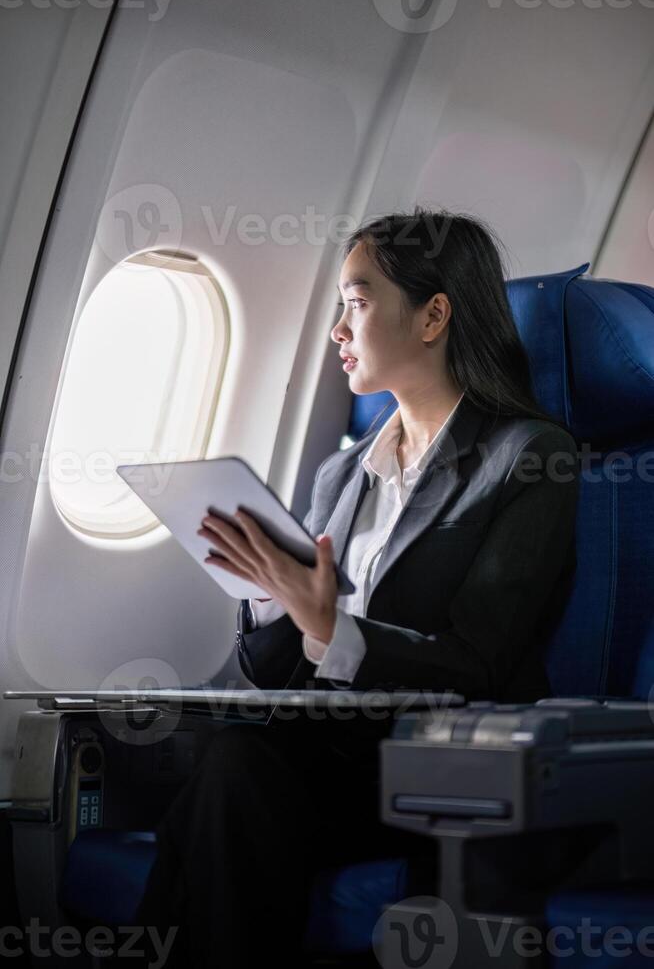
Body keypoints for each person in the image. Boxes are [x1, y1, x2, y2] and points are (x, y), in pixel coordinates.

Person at [134, 207, 579, 967]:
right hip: (329, 758)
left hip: (440, 770)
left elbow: (480, 662)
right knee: (221, 763)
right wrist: (270, 597)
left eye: (358, 302)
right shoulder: (344, 473)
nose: (338, 331)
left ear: (434, 314)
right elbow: (281, 669)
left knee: (231, 782)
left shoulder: (529, 458)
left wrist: (331, 629)